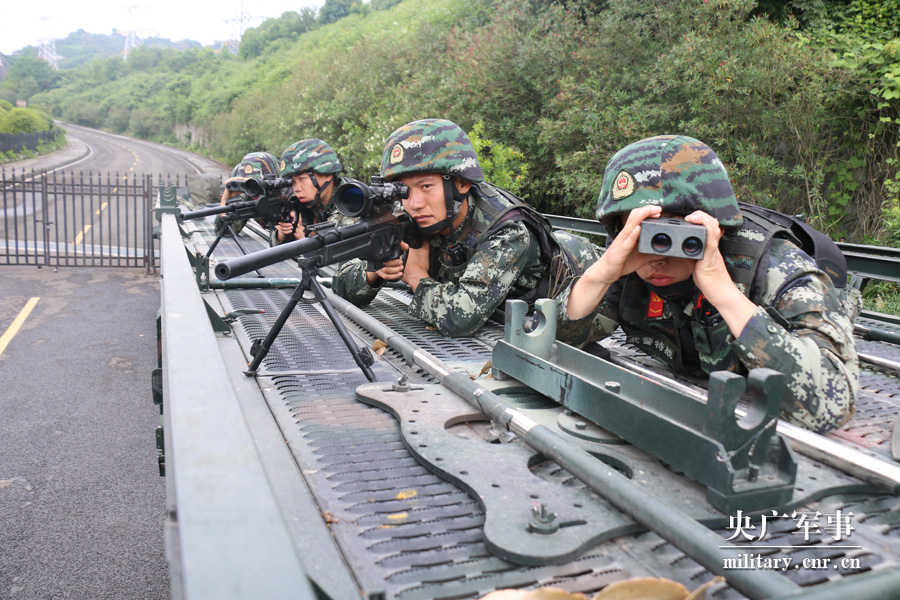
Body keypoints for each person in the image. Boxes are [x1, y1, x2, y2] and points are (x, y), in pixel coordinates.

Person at [557, 134, 858, 433]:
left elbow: (829, 405)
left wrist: (725, 293)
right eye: (642, 233)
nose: (655, 257)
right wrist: (602, 273)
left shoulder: (774, 268)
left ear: (717, 229)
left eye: (670, 235)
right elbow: (555, 341)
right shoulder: (629, 267)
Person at [331, 118, 601, 338]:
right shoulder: (410, 212)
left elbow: (461, 319)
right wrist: (374, 272)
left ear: (460, 183)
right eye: (404, 190)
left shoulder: (506, 231)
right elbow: (340, 285)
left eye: (426, 187)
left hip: (584, 280)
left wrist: (415, 277)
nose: (413, 203)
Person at [272, 138, 353, 245]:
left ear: (327, 174)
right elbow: (275, 251)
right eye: (293, 182)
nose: (297, 188)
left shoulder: (352, 204)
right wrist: (282, 234)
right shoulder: (301, 203)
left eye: (302, 179)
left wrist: (308, 243)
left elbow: (350, 257)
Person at [214, 151, 281, 237]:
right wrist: (225, 201)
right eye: (249, 184)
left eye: (259, 183)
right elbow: (224, 231)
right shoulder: (248, 193)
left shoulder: (284, 196)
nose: (254, 190)